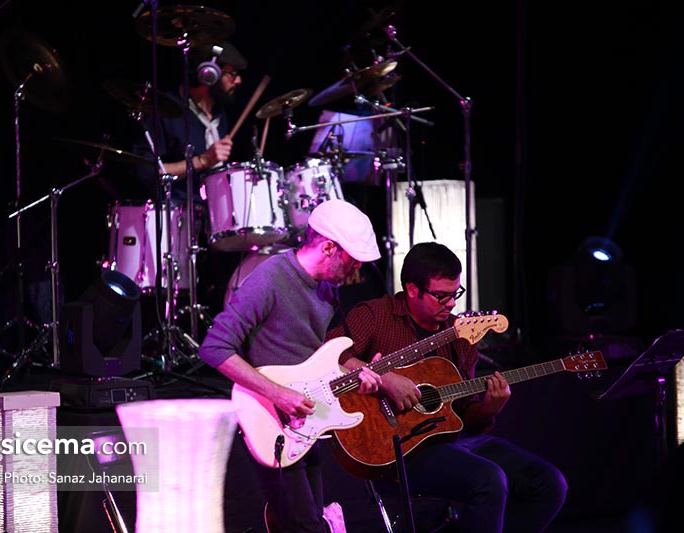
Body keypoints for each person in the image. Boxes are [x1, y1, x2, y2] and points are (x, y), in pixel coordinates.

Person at [326, 241, 568, 532]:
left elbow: (463, 417)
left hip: (453, 440)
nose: (452, 303)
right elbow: (331, 356)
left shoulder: (460, 335)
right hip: (397, 446)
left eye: (456, 293)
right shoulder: (375, 315)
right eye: (441, 296)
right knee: (489, 480)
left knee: (550, 484)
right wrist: (385, 378)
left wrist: (489, 408)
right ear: (412, 289)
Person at [199, 199, 384, 532]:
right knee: (304, 525)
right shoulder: (269, 279)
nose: (356, 270)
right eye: (352, 260)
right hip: (270, 419)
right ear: (328, 248)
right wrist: (279, 394)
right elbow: (214, 348)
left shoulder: (328, 290)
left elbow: (325, 354)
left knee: (310, 521)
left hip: (307, 419)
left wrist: (358, 371)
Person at [132, 40, 247, 200]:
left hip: (214, 209)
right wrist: (201, 161)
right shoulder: (163, 112)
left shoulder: (220, 114)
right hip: (177, 210)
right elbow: (146, 173)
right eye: (232, 74)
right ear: (209, 74)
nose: (238, 80)